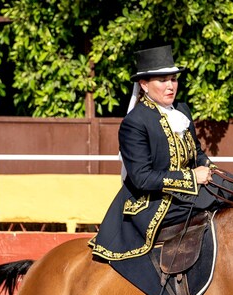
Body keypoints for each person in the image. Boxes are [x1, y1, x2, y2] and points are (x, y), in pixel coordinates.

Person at [89, 45, 225, 262]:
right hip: (152, 202)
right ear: (144, 85)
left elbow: (197, 153)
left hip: (187, 192)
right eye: (163, 80)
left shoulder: (182, 110)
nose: (170, 86)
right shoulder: (134, 122)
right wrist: (191, 177)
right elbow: (142, 178)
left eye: (173, 79)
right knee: (219, 202)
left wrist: (213, 172)